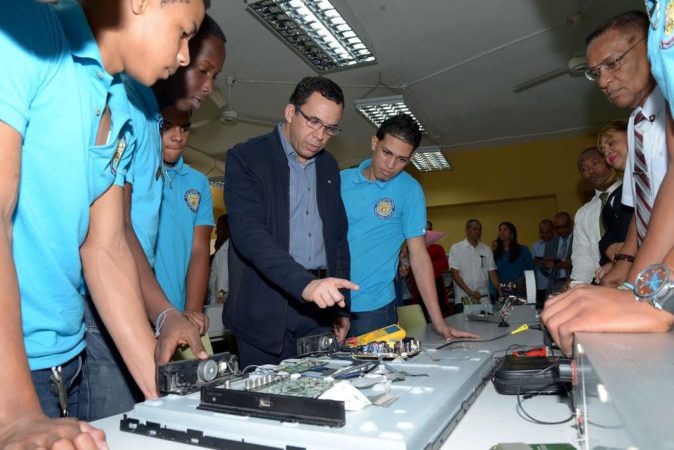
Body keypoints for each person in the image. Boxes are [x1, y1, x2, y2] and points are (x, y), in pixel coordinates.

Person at [0, 0, 207, 447]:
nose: (186, 55)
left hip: (67, 363)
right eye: (184, 32)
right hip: (11, 374)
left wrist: (162, 396)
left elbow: (106, 249)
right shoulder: (26, 31)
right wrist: (14, 415)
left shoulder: (123, 107)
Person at [79, 14, 226, 421]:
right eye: (203, 70)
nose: (209, 86)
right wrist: (164, 312)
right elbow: (113, 234)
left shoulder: (144, 110)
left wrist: (166, 312)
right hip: (103, 303)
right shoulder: (123, 100)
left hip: (130, 292)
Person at [223, 76, 358, 367]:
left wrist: (342, 307)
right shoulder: (246, 158)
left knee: (320, 394)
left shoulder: (329, 166)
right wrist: (305, 284)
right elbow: (249, 236)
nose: (320, 136)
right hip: (264, 310)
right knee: (266, 402)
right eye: (313, 122)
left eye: (330, 128)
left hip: (318, 312)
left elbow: (337, 239)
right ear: (290, 113)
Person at [341, 114, 478, 340]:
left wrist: (438, 321)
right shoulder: (340, 181)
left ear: (411, 158)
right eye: (387, 153)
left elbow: (419, 255)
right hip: (330, 304)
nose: (391, 165)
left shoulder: (410, 190)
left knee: (376, 376)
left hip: (376, 309)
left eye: (402, 159)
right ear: (375, 143)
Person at [585, 11, 667, 287]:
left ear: (649, 47)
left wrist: (643, 282)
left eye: (612, 63)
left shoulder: (671, 108)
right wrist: (625, 262)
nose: (602, 81)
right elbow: (640, 212)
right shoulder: (635, 123)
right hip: (654, 264)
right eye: (596, 73)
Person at [154, 105, 214, 318]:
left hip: (178, 310)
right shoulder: (135, 172)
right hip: (132, 307)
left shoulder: (198, 182)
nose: (178, 137)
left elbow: (199, 250)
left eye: (185, 128)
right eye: (168, 127)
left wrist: (193, 311)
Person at [570, 148, 621, 284]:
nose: (590, 171)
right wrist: (578, 285)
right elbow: (583, 257)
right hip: (602, 285)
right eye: (584, 169)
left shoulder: (632, 195)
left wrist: (619, 264)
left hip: (637, 276)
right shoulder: (583, 213)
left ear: (609, 162)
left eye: (595, 163)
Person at [595, 121, 634, 279]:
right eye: (603, 151)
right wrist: (611, 250)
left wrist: (625, 255)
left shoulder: (659, 177)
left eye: (611, 143)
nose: (608, 152)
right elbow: (609, 236)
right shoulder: (615, 196)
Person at [448, 219, 502, 314]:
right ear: (467, 230)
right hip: (464, 299)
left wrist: (500, 292)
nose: (478, 232)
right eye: (475, 229)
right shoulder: (456, 248)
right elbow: (455, 275)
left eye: (480, 229)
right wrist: (470, 292)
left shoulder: (486, 249)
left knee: (486, 328)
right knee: (463, 328)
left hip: (484, 299)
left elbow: (493, 274)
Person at [493, 222, 534, 288]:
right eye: (500, 230)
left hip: (521, 289)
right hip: (502, 290)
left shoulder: (523, 250)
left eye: (505, 229)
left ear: (512, 233)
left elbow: (531, 270)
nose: (502, 232)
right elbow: (494, 274)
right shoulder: (495, 253)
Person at [531, 219, 555, 307]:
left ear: (553, 230)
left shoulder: (558, 244)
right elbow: (532, 264)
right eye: (542, 232)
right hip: (540, 285)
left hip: (554, 285)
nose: (544, 235)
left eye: (547, 232)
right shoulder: (535, 245)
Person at [208, 214, 230, 304]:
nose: (216, 232)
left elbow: (222, 286)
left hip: (219, 307)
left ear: (229, 230)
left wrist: (220, 306)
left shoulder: (224, 252)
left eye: (220, 228)